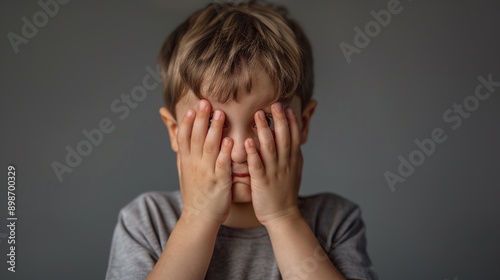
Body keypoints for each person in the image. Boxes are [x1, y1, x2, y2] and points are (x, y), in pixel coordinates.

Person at [105, 1, 378, 279]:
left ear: (303, 123)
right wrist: (197, 218)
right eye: (212, 123)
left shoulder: (334, 222)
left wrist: (282, 216)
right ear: (175, 131)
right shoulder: (147, 221)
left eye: (266, 121)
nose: (238, 151)